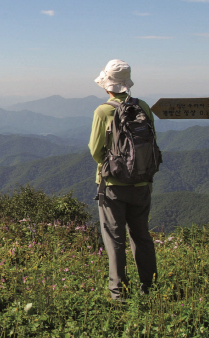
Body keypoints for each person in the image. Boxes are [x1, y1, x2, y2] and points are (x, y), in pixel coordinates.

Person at [88, 59, 157, 301]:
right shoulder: (144, 107)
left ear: (107, 84)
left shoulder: (103, 111)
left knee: (115, 239)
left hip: (113, 186)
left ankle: (119, 293)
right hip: (141, 183)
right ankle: (150, 287)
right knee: (142, 236)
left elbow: (96, 151)